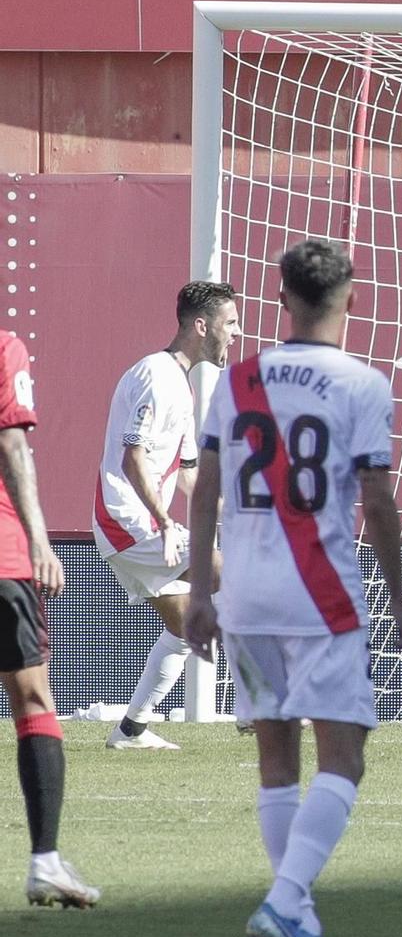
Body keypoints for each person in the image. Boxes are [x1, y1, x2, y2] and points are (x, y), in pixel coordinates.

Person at [184, 239, 402, 937]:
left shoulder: (240, 376)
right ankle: (287, 899)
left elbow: (206, 487)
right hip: (321, 595)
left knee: (276, 759)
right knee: (344, 758)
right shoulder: (361, 383)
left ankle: (302, 924)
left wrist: (199, 591)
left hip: (246, 598)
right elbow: (377, 504)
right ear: (350, 299)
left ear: (280, 298)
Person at [95, 280, 240, 751]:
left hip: (135, 524)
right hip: (129, 521)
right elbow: (132, 456)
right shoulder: (157, 376)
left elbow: (189, 477)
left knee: (184, 629)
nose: (235, 334)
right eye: (230, 323)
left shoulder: (180, 384)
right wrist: (163, 520)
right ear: (202, 325)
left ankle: (130, 730)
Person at [0, 328, 98, 908]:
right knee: (31, 699)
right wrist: (40, 537)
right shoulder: (5, 345)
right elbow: (11, 444)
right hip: (3, 559)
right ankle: (46, 862)